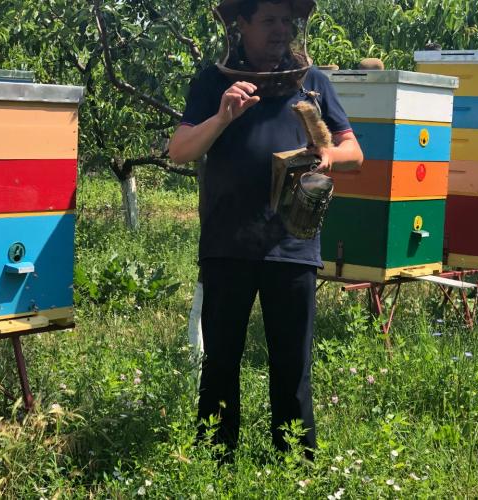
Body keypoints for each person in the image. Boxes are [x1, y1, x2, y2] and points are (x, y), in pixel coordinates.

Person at [169, 0, 362, 460]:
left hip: (293, 243)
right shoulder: (214, 82)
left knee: (293, 363)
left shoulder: (313, 83)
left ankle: (294, 460)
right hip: (228, 245)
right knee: (220, 360)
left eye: (286, 21)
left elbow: (354, 152)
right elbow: (179, 150)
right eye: (269, 20)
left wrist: (329, 155)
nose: (281, 30)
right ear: (242, 24)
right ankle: (215, 458)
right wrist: (222, 117)